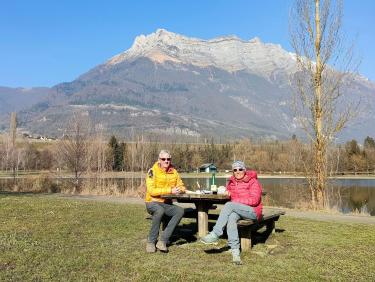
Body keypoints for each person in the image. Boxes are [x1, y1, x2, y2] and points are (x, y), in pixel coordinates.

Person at [200, 160, 263, 265]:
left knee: (230, 205)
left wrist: (235, 201)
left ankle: (216, 233)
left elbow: (255, 200)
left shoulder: (253, 181)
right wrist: (225, 192)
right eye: (235, 170)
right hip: (238, 210)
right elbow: (231, 195)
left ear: (245, 170)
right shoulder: (231, 182)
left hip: (253, 211)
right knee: (231, 218)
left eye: (240, 169)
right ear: (233, 171)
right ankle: (235, 252)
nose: (238, 171)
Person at [145, 150, 185, 253]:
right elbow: (151, 191)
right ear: (159, 160)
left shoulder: (174, 171)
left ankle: (162, 241)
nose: (166, 161)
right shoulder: (152, 171)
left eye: (168, 159)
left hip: (166, 203)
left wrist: (180, 190)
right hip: (152, 202)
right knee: (159, 211)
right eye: (163, 159)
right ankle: (151, 242)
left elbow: (181, 185)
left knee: (180, 211)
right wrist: (170, 190)